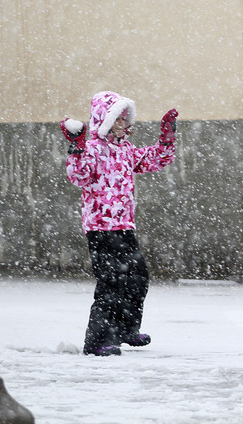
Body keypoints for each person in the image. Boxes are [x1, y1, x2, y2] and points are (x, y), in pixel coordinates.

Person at [61, 91, 178, 356]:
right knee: (110, 282)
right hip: (100, 228)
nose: (124, 122)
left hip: (124, 225)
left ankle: (126, 329)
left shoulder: (124, 149)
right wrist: (77, 147)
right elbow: (77, 176)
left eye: (126, 117)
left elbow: (156, 159)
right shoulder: (92, 148)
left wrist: (166, 138)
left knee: (137, 277)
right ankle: (97, 341)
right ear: (105, 120)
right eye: (118, 118)